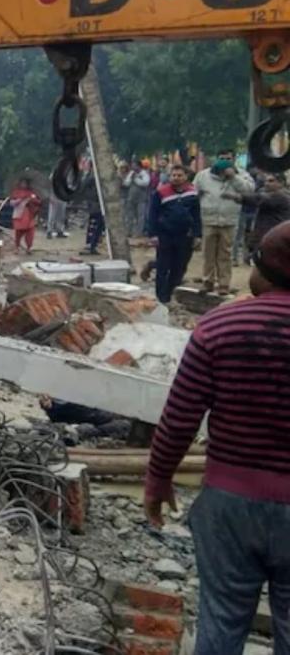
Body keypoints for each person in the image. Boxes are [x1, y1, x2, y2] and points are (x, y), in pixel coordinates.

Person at [144, 220, 290, 653]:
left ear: (262, 268)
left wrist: (158, 480)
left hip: (229, 505)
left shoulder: (219, 326)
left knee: (221, 623)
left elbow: (180, 418)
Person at [195, 157, 254, 294]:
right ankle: (208, 281)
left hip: (229, 221)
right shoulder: (203, 176)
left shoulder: (242, 175)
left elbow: (249, 190)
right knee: (208, 253)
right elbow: (195, 192)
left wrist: (234, 178)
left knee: (225, 254)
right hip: (209, 220)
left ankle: (224, 284)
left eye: (228, 158)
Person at [145, 165, 201, 304]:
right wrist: (153, 234)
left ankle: (169, 293)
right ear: (170, 177)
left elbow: (196, 216)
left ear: (186, 177)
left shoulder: (192, 194)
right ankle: (161, 298)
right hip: (165, 235)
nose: (176, 178)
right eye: (174, 175)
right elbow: (152, 214)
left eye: (179, 175)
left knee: (179, 268)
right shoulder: (161, 193)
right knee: (163, 267)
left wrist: (198, 235)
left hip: (185, 236)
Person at [227, 172, 290, 263]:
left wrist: (238, 197)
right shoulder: (269, 193)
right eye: (266, 181)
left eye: (271, 181)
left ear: (281, 183)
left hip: (274, 237)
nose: (266, 183)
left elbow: (259, 199)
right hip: (268, 236)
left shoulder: (281, 195)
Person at [9, 178, 42, 254]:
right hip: (19, 214)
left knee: (30, 231)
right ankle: (17, 247)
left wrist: (32, 200)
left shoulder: (31, 193)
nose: (24, 184)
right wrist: (19, 200)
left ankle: (29, 247)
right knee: (19, 232)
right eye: (22, 183)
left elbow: (38, 202)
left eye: (25, 183)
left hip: (29, 214)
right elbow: (11, 202)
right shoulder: (15, 192)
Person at [123, 160, 152, 237]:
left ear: (139, 166)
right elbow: (126, 183)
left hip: (141, 199)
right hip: (131, 197)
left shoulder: (144, 174)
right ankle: (129, 231)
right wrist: (131, 178)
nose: (133, 167)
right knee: (129, 215)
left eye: (134, 165)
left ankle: (139, 233)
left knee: (140, 216)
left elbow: (145, 183)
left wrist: (135, 179)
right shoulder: (131, 173)